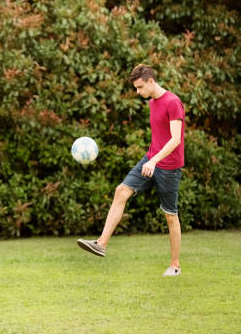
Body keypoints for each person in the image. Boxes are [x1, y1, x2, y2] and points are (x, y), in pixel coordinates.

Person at [77, 64, 185, 277]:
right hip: (150, 160)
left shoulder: (173, 102)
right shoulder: (152, 103)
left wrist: (154, 161)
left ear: (151, 81)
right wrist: (151, 159)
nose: (138, 92)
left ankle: (175, 265)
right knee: (121, 191)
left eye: (140, 87)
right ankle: (101, 243)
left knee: (170, 216)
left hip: (168, 167)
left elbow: (175, 139)